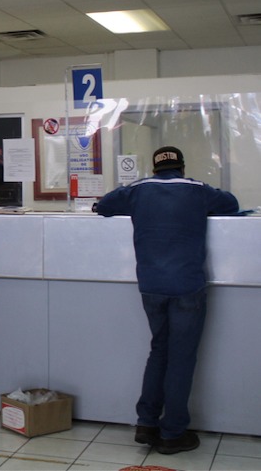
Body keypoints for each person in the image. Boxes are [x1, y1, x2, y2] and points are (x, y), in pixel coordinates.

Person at [96, 146, 239, 455]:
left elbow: (103, 205)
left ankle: (147, 423)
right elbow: (231, 204)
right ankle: (173, 433)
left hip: (151, 287)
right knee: (181, 357)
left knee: (159, 350)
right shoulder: (197, 189)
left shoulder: (138, 189)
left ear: (154, 167)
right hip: (187, 286)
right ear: (182, 167)